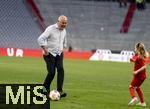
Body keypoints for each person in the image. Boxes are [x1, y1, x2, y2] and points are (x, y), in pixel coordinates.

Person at [37, 15, 68, 98]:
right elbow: (40, 39)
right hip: (49, 54)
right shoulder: (50, 29)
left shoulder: (64, 31)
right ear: (58, 21)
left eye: (65, 23)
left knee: (61, 70)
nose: (64, 24)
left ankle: (59, 91)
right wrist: (45, 49)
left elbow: (64, 41)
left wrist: (63, 47)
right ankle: (42, 93)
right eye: (62, 23)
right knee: (51, 73)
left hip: (59, 54)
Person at [128, 42, 149, 106]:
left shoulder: (139, 57)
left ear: (137, 48)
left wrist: (136, 71)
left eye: (135, 47)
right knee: (137, 87)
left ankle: (134, 98)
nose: (134, 49)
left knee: (131, 87)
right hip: (142, 76)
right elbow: (138, 62)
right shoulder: (140, 56)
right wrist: (133, 60)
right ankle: (142, 103)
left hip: (139, 76)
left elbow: (144, 66)